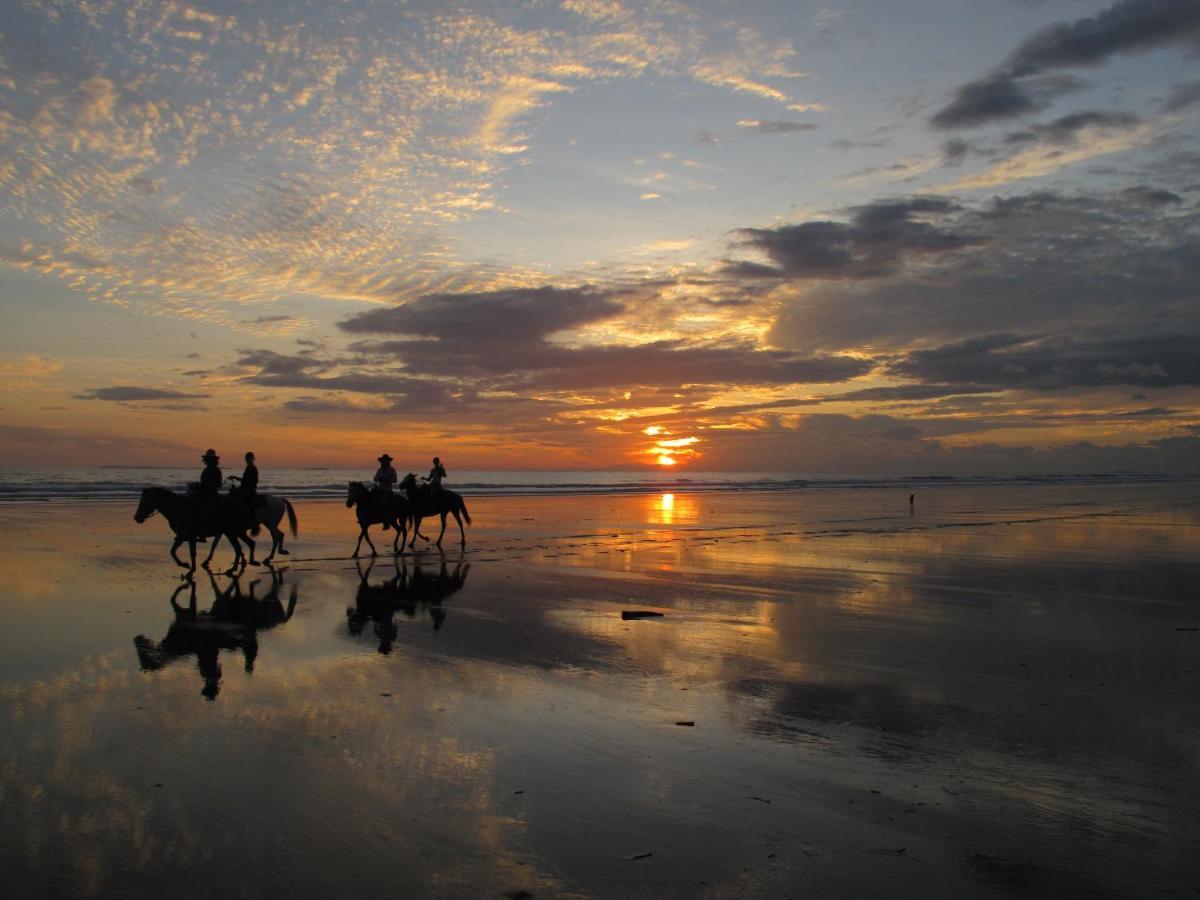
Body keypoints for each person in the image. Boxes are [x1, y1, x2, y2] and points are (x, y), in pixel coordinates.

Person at [229, 451, 260, 519]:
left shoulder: (252, 468)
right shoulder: (249, 468)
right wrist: (234, 477)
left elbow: (246, 480)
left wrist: (235, 477)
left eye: (248, 459)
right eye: (246, 459)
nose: (247, 460)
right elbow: (245, 479)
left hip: (248, 490)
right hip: (245, 488)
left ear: (251, 459)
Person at [374, 453, 398, 529]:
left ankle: (386, 522)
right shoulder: (379, 470)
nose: (384, 462)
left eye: (385, 461)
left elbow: (395, 480)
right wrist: (379, 479)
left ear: (388, 462)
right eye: (383, 461)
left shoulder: (392, 470)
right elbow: (375, 478)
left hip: (387, 490)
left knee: (384, 503)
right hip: (380, 489)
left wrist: (388, 479)